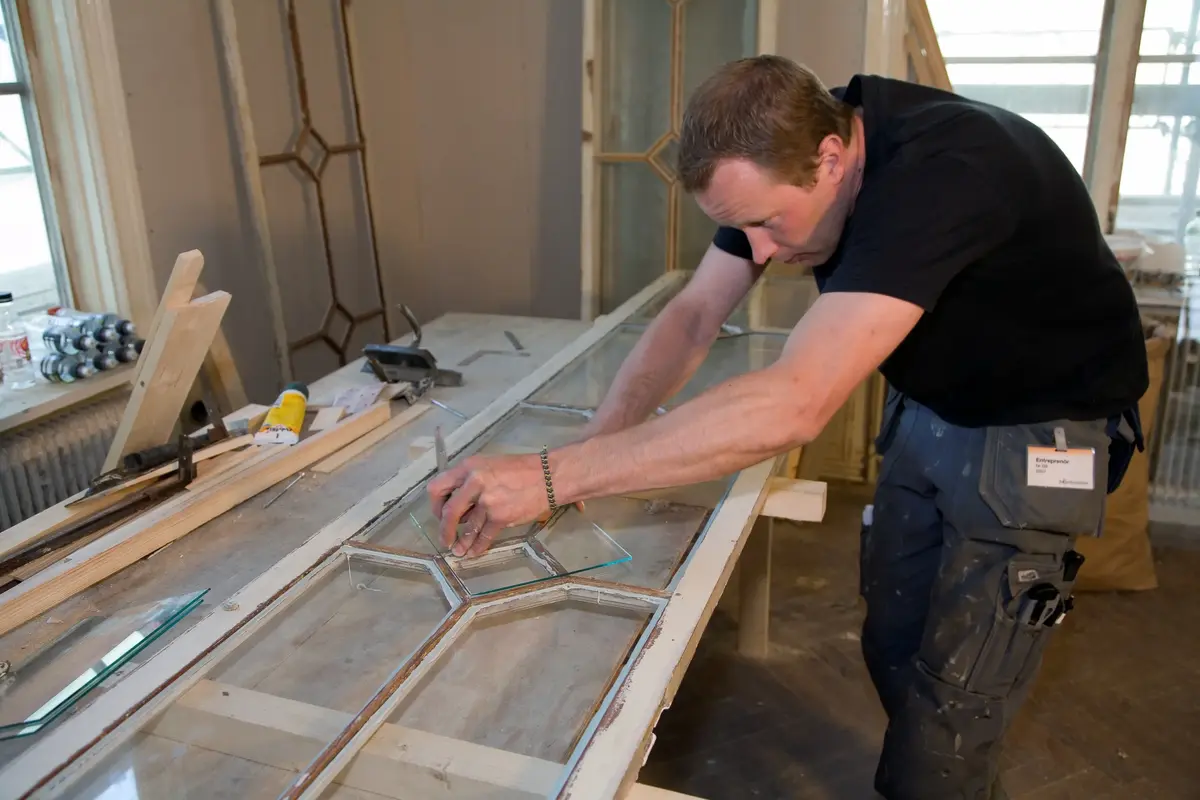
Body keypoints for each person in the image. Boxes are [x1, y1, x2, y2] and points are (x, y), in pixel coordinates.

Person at [429, 55, 1149, 798]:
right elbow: (695, 314)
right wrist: (596, 443)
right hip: (936, 396)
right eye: (742, 229)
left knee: (957, 702)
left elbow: (796, 402)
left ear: (832, 160)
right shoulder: (788, 142)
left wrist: (551, 477)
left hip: (1039, 426)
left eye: (767, 223)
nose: (762, 253)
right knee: (894, 636)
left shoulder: (946, 176)